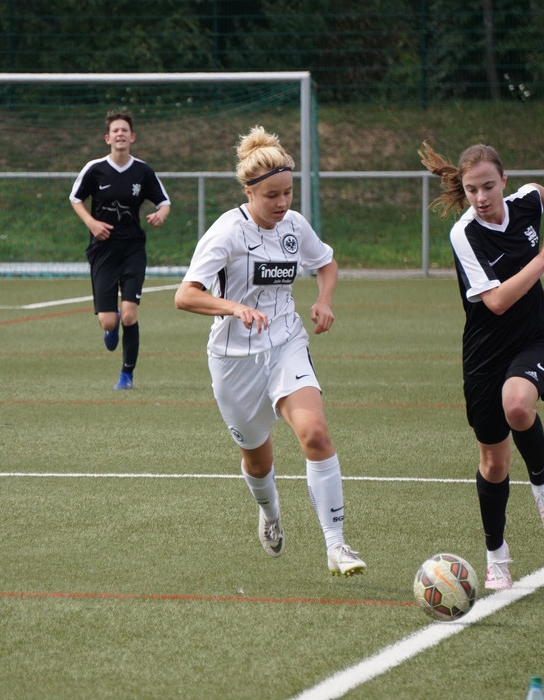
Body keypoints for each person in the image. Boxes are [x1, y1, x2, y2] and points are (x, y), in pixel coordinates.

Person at [174, 126, 365, 577]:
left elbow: (327, 262)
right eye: (272, 196)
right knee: (258, 459)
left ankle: (337, 545)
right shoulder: (226, 232)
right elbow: (185, 295)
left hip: (285, 345)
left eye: (288, 193)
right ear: (249, 192)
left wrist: (323, 300)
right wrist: (232, 307)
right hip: (233, 361)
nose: (282, 204)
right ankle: (271, 513)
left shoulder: (295, 226)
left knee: (315, 434)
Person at [419, 141, 544, 590]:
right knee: (493, 463)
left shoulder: (524, 200)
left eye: (489, 186)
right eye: (472, 189)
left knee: (518, 404)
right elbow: (494, 301)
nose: (481, 197)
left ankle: (543, 487)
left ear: (504, 182)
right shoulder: (465, 234)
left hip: (536, 338)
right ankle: (497, 558)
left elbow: (540, 193)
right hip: (485, 353)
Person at [70, 111, 171, 390]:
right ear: (108, 138)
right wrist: (91, 223)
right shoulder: (95, 169)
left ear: (132, 136)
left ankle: (127, 374)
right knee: (108, 321)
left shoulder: (143, 171)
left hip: (132, 250)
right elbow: (75, 198)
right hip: (103, 250)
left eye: (125, 130)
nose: (120, 134)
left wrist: (161, 214)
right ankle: (110, 327)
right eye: (115, 130)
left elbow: (164, 201)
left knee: (129, 314)